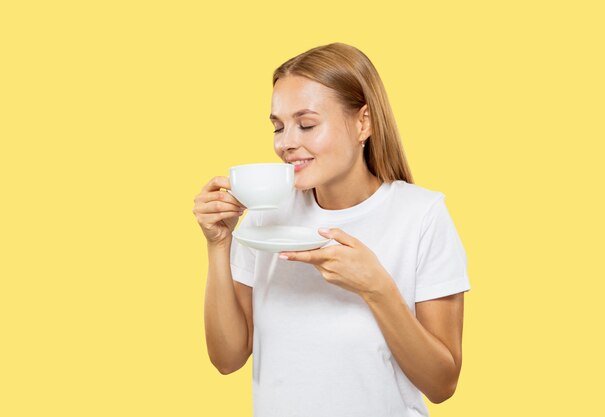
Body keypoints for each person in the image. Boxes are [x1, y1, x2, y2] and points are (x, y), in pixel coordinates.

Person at [193, 42, 471, 417]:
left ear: (364, 123)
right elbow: (227, 358)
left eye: (306, 124)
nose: (286, 143)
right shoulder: (266, 215)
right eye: (278, 127)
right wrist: (218, 244)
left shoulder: (421, 215)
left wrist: (376, 288)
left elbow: (442, 384)